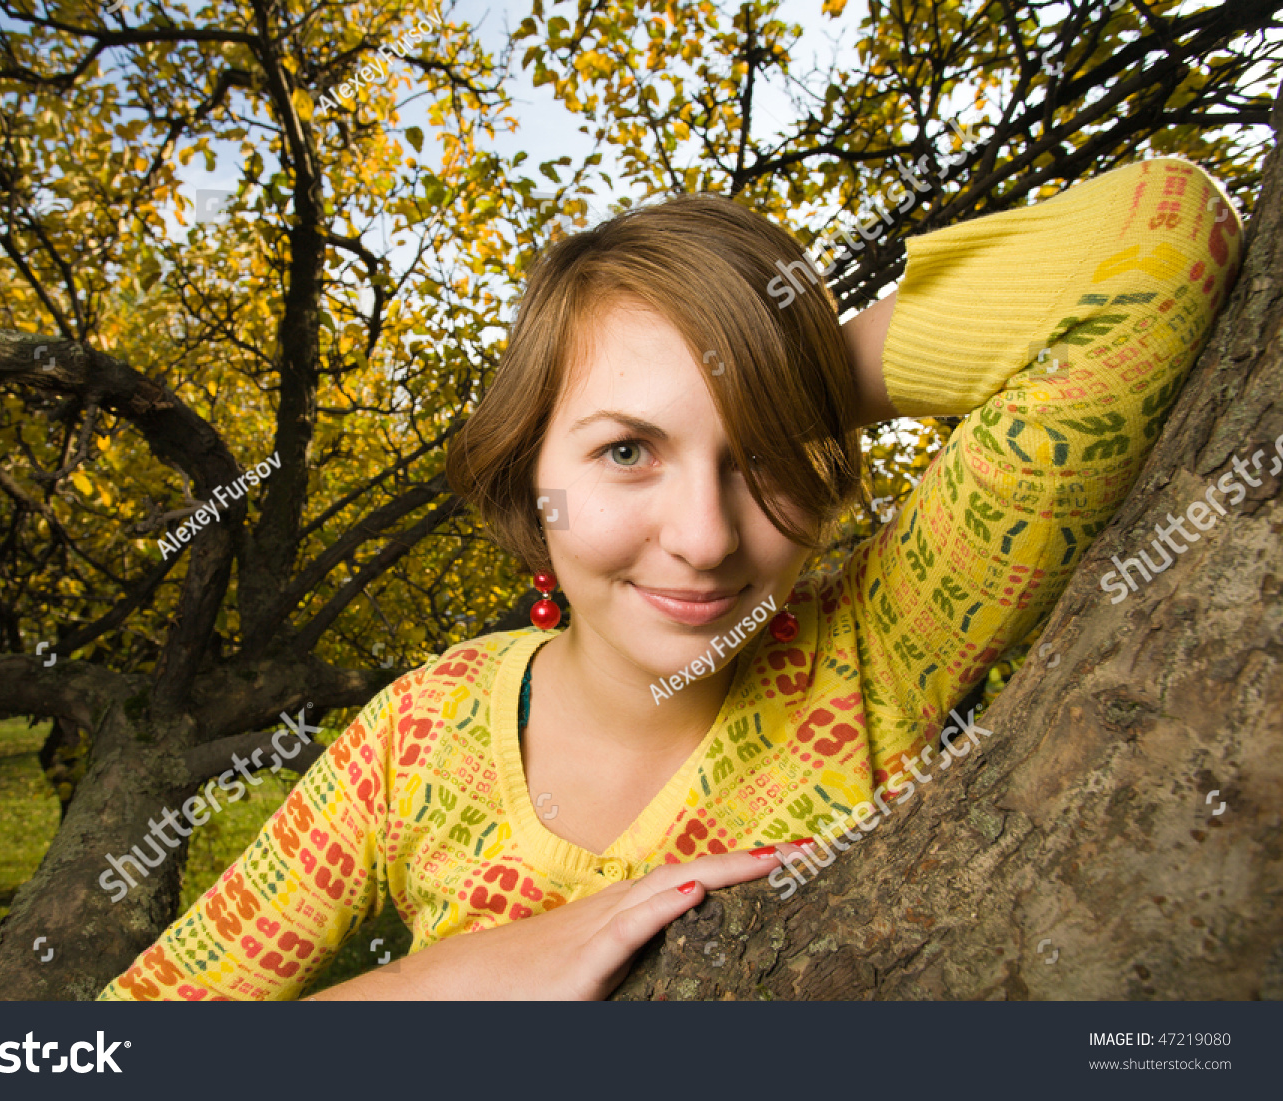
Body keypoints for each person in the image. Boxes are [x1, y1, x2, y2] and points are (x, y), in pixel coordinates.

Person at [97, 155, 1242, 1001]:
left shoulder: (887, 641)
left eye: (761, 457)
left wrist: (782, 372)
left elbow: (1160, 241)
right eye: (627, 449)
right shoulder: (414, 737)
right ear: (526, 469)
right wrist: (434, 990)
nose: (703, 538)